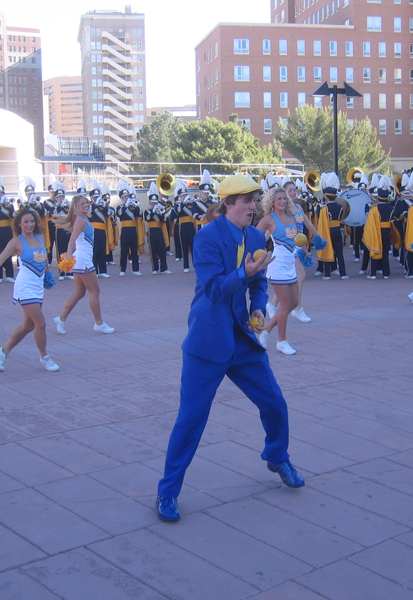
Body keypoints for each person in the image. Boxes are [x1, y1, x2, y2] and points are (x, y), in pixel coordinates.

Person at [156, 175, 304, 522]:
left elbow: (257, 283)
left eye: (255, 200)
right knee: (191, 420)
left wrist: (256, 307)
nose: (253, 207)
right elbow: (212, 289)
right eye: (246, 202)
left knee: (275, 403)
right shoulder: (206, 236)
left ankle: (277, 456)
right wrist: (244, 273)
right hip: (207, 341)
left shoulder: (255, 235)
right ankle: (167, 493)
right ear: (228, 204)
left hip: (241, 340)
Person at [0, 208, 60, 373]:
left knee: (28, 326)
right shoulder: (16, 242)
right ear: (19, 224)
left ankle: (3, 351)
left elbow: (45, 259)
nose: (29, 224)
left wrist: (48, 274)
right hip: (25, 286)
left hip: (37, 287)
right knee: (40, 323)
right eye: (26, 222)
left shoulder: (40, 237)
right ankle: (45, 357)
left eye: (32, 221)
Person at [257, 186, 321, 355]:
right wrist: (260, 256)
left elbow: (299, 239)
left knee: (292, 303)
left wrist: (306, 253)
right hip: (277, 264)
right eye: (279, 199)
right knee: (285, 305)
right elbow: (254, 238)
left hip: (291, 263)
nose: (283, 201)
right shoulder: (268, 219)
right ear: (272, 201)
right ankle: (282, 341)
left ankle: (266, 330)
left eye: (284, 199)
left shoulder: (292, 216)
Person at [52, 194, 115, 336]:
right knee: (95, 292)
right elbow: (72, 239)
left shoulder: (82, 219)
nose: (86, 205)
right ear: (76, 207)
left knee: (79, 292)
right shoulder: (80, 220)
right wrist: (68, 255)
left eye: (87, 202)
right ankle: (99, 323)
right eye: (83, 204)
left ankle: (60, 319)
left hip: (81, 259)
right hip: (83, 260)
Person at [267, 178, 313, 323]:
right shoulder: (281, 212)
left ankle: (273, 304)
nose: (293, 193)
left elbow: (304, 228)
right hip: (287, 249)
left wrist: (315, 240)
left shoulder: (298, 208)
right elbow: (269, 232)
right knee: (300, 276)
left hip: (297, 246)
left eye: (294, 190)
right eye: (290, 191)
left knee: (293, 279)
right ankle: (297, 309)